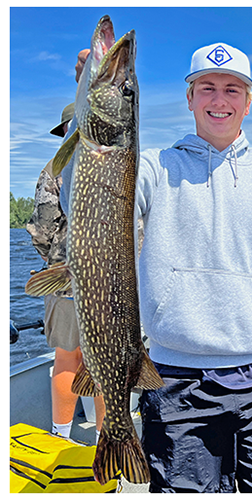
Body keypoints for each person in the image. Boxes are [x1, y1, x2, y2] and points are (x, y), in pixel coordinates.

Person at [70, 42, 252, 493]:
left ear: (249, 102)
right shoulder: (151, 169)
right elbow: (81, 198)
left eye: (233, 89)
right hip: (173, 381)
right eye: (207, 88)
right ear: (190, 97)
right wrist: (83, 102)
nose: (220, 100)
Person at [26, 103, 106, 442]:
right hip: (109, 280)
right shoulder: (112, 166)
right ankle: (108, 436)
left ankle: (60, 436)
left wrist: (52, 260)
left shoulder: (53, 170)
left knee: (66, 357)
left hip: (66, 279)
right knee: (105, 359)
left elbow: (42, 228)